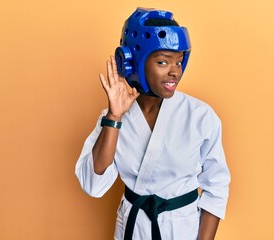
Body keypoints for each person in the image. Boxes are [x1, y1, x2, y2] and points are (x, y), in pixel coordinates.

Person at [75, 7, 230, 240]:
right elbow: (93, 184)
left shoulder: (200, 116)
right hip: (132, 228)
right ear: (134, 62)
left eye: (179, 62)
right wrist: (114, 117)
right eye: (163, 62)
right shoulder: (112, 118)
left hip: (181, 230)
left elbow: (216, 187)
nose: (174, 72)